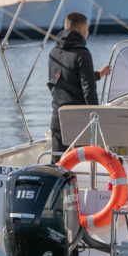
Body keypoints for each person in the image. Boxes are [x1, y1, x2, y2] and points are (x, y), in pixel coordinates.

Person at [47, 12, 111, 154]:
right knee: (79, 162)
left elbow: (65, 78)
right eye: (87, 29)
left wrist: (98, 75)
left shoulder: (53, 52)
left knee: (58, 160)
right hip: (78, 119)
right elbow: (88, 89)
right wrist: (96, 115)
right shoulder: (83, 53)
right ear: (82, 30)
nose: (88, 32)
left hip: (58, 115)